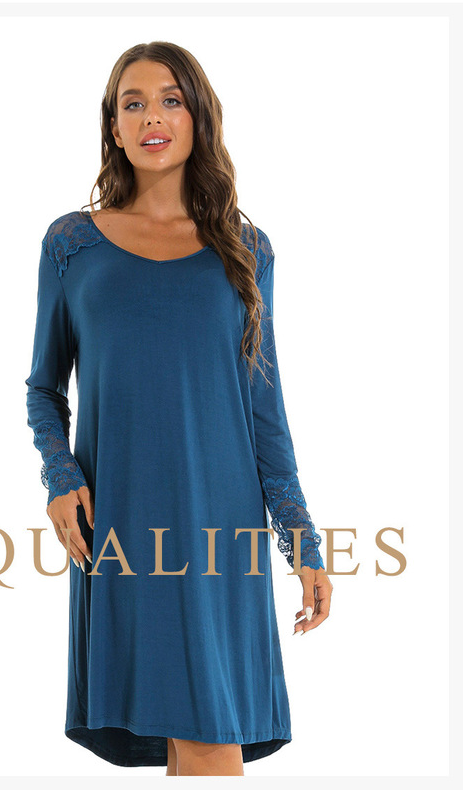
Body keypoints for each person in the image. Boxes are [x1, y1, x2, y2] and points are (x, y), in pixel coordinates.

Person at [25, 41, 333, 777]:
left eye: (170, 99)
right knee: (185, 732)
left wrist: (301, 541)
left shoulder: (244, 249)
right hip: (121, 516)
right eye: (132, 103)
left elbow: (263, 408)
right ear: (113, 126)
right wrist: (60, 478)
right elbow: (44, 387)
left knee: (206, 733)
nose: (151, 117)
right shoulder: (72, 244)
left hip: (222, 520)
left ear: (199, 116)